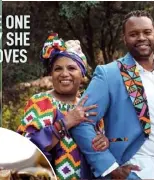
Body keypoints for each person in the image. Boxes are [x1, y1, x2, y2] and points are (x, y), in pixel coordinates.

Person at [69, 10, 154, 179]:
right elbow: (81, 122)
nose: (141, 38)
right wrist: (110, 168)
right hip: (137, 172)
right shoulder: (110, 74)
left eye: (147, 32)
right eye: (133, 34)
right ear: (124, 38)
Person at [17, 33, 109, 180]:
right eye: (58, 69)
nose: (64, 74)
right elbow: (25, 150)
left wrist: (104, 142)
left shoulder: (90, 106)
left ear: (82, 74)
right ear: (51, 74)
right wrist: (65, 123)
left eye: (71, 68)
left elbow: (98, 149)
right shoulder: (41, 102)